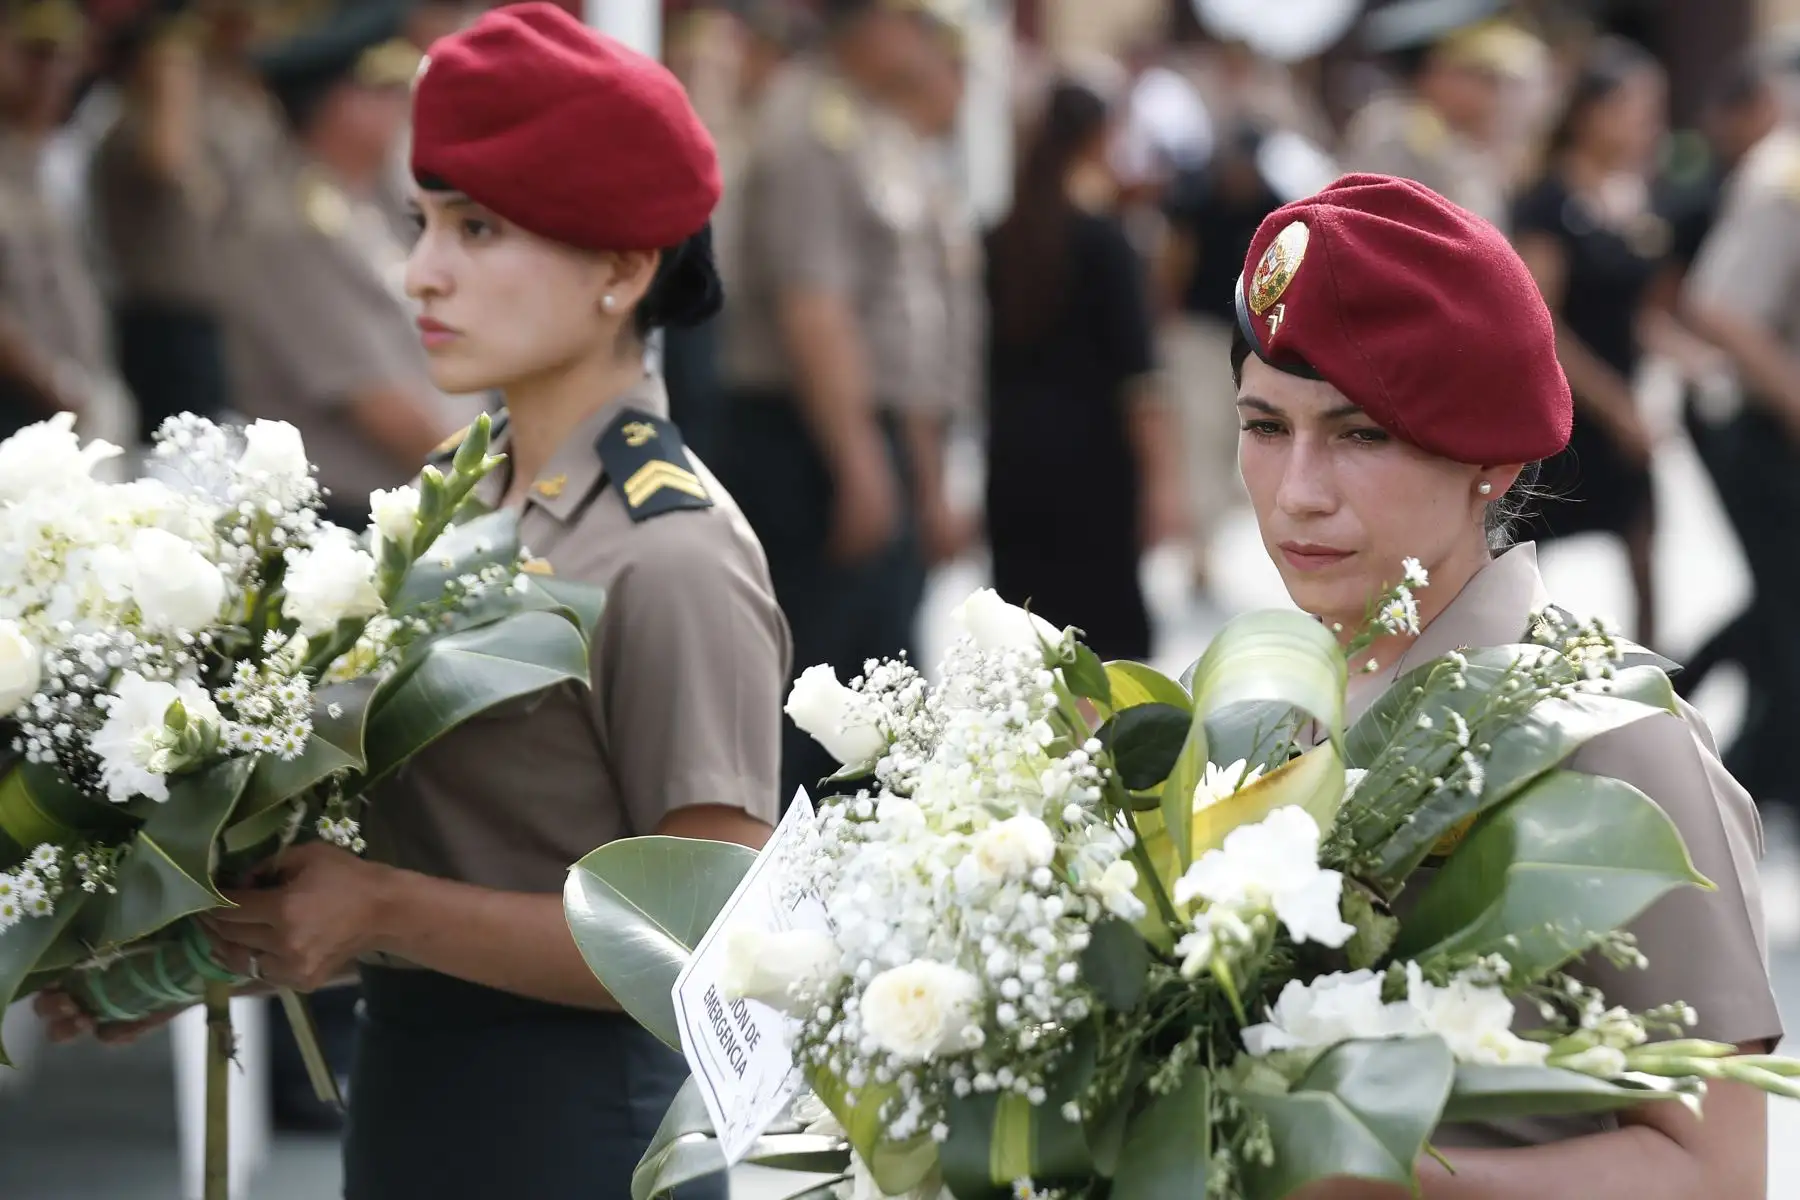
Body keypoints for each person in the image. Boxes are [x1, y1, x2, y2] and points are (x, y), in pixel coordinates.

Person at [40, 4, 787, 1197]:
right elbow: (421, 845)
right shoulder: (458, 497)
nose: (421, 272)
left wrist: (382, 908)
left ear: (621, 268)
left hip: (583, 1137)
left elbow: (708, 941)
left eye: (480, 230)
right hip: (410, 1108)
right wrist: (164, 952)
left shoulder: (670, 552)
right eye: (423, 221)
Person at [1229, 173, 1779, 1196]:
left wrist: (1360, 1172)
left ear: (1489, 461)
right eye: (1265, 428)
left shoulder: (1609, 739)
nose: (1297, 492)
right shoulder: (1263, 713)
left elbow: (1719, 1171)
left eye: (1360, 435)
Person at [715, 0, 944, 805]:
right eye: (910, 18)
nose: (923, 37)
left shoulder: (864, 122)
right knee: (824, 689)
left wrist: (909, 462)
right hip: (805, 436)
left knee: (882, 677)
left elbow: (899, 326)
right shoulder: (808, 124)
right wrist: (858, 462)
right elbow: (813, 307)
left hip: (856, 428)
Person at [217, 1, 460, 531]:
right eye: (384, 90)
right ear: (333, 102)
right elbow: (374, 400)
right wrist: (481, 484)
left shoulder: (370, 194)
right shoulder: (288, 226)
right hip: (345, 516)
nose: (403, 106)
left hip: (408, 491)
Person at [983, 79, 1183, 662]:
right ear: (1099, 138)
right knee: (1102, 648)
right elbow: (1139, 378)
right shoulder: (1106, 240)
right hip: (1094, 461)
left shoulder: (1001, 237)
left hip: (1015, 455)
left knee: (1026, 639)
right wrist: (1164, 482)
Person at [1509, 37, 1673, 649]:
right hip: (1566, 409)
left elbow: (1646, 314)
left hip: (1625, 408)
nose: (1647, 124)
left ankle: (1655, 688)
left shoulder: (1637, 197)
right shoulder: (1548, 203)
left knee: (1646, 550)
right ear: (1590, 111)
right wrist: (1617, 405)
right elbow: (1543, 321)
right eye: (1634, 107)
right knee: (1531, 559)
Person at [1679, 70, 1800, 827]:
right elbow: (1719, 309)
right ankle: (1749, 782)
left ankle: (1760, 768)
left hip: (1770, 421)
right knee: (1788, 605)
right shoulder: (1785, 173)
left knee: (1782, 599)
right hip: (1754, 426)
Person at [0, 1, 125, 444]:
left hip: (73, 392)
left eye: (64, 57)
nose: (53, 75)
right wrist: (52, 381)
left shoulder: (44, 157)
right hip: (21, 404)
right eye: (35, 54)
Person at [1344, 0, 1544, 233]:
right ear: (1437, 72)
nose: (1494, 97)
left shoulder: (1471, 143)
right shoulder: (1394, 129)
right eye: (1483, 79)